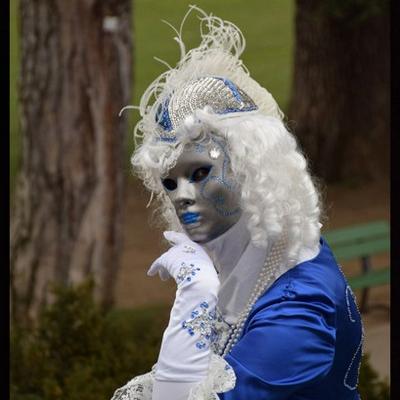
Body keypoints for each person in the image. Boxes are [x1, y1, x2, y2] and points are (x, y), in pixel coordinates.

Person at [111, 6, 363, 400]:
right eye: (170, 183)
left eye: (200, 173)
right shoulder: (266, 256)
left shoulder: (300, 309)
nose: (183, 197)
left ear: (252, 166)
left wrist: (194, 296)